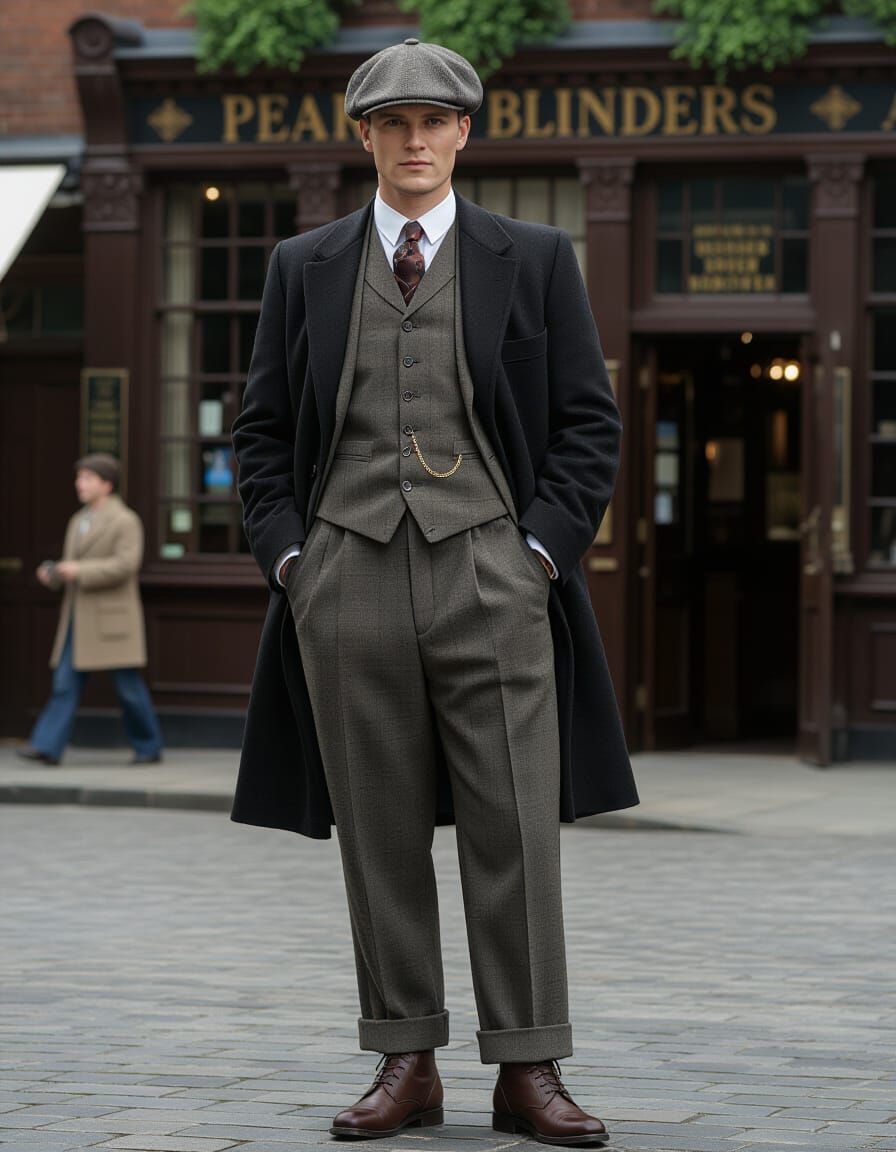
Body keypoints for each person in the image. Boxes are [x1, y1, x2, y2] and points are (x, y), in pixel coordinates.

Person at [230, 38, 639, 1145]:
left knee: (514, 829)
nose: (413, 141)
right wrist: (291, 561)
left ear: (464, 133)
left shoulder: (535, 256)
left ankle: (528, 1068)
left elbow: (587, 426)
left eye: (433, 122)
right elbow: (261, 433)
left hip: (492, 577)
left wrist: (538, 555)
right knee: (378, 831)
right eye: (391, 123)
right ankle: (404, 1058)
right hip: (345, 575)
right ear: (361, 135)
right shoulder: (300, 265)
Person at [17, 453, 164, 767]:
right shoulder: (78, 520)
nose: (78, 484)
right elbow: (75, 568)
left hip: (111, 622)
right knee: (64, 684)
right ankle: (46, 746)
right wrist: (55, 574)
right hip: (77, 620)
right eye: (79, 478)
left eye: (86, 478)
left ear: (106, 484)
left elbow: (126, 566)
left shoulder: (125, 520)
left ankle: (149, 746)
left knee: (128, 688)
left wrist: (78, 570)